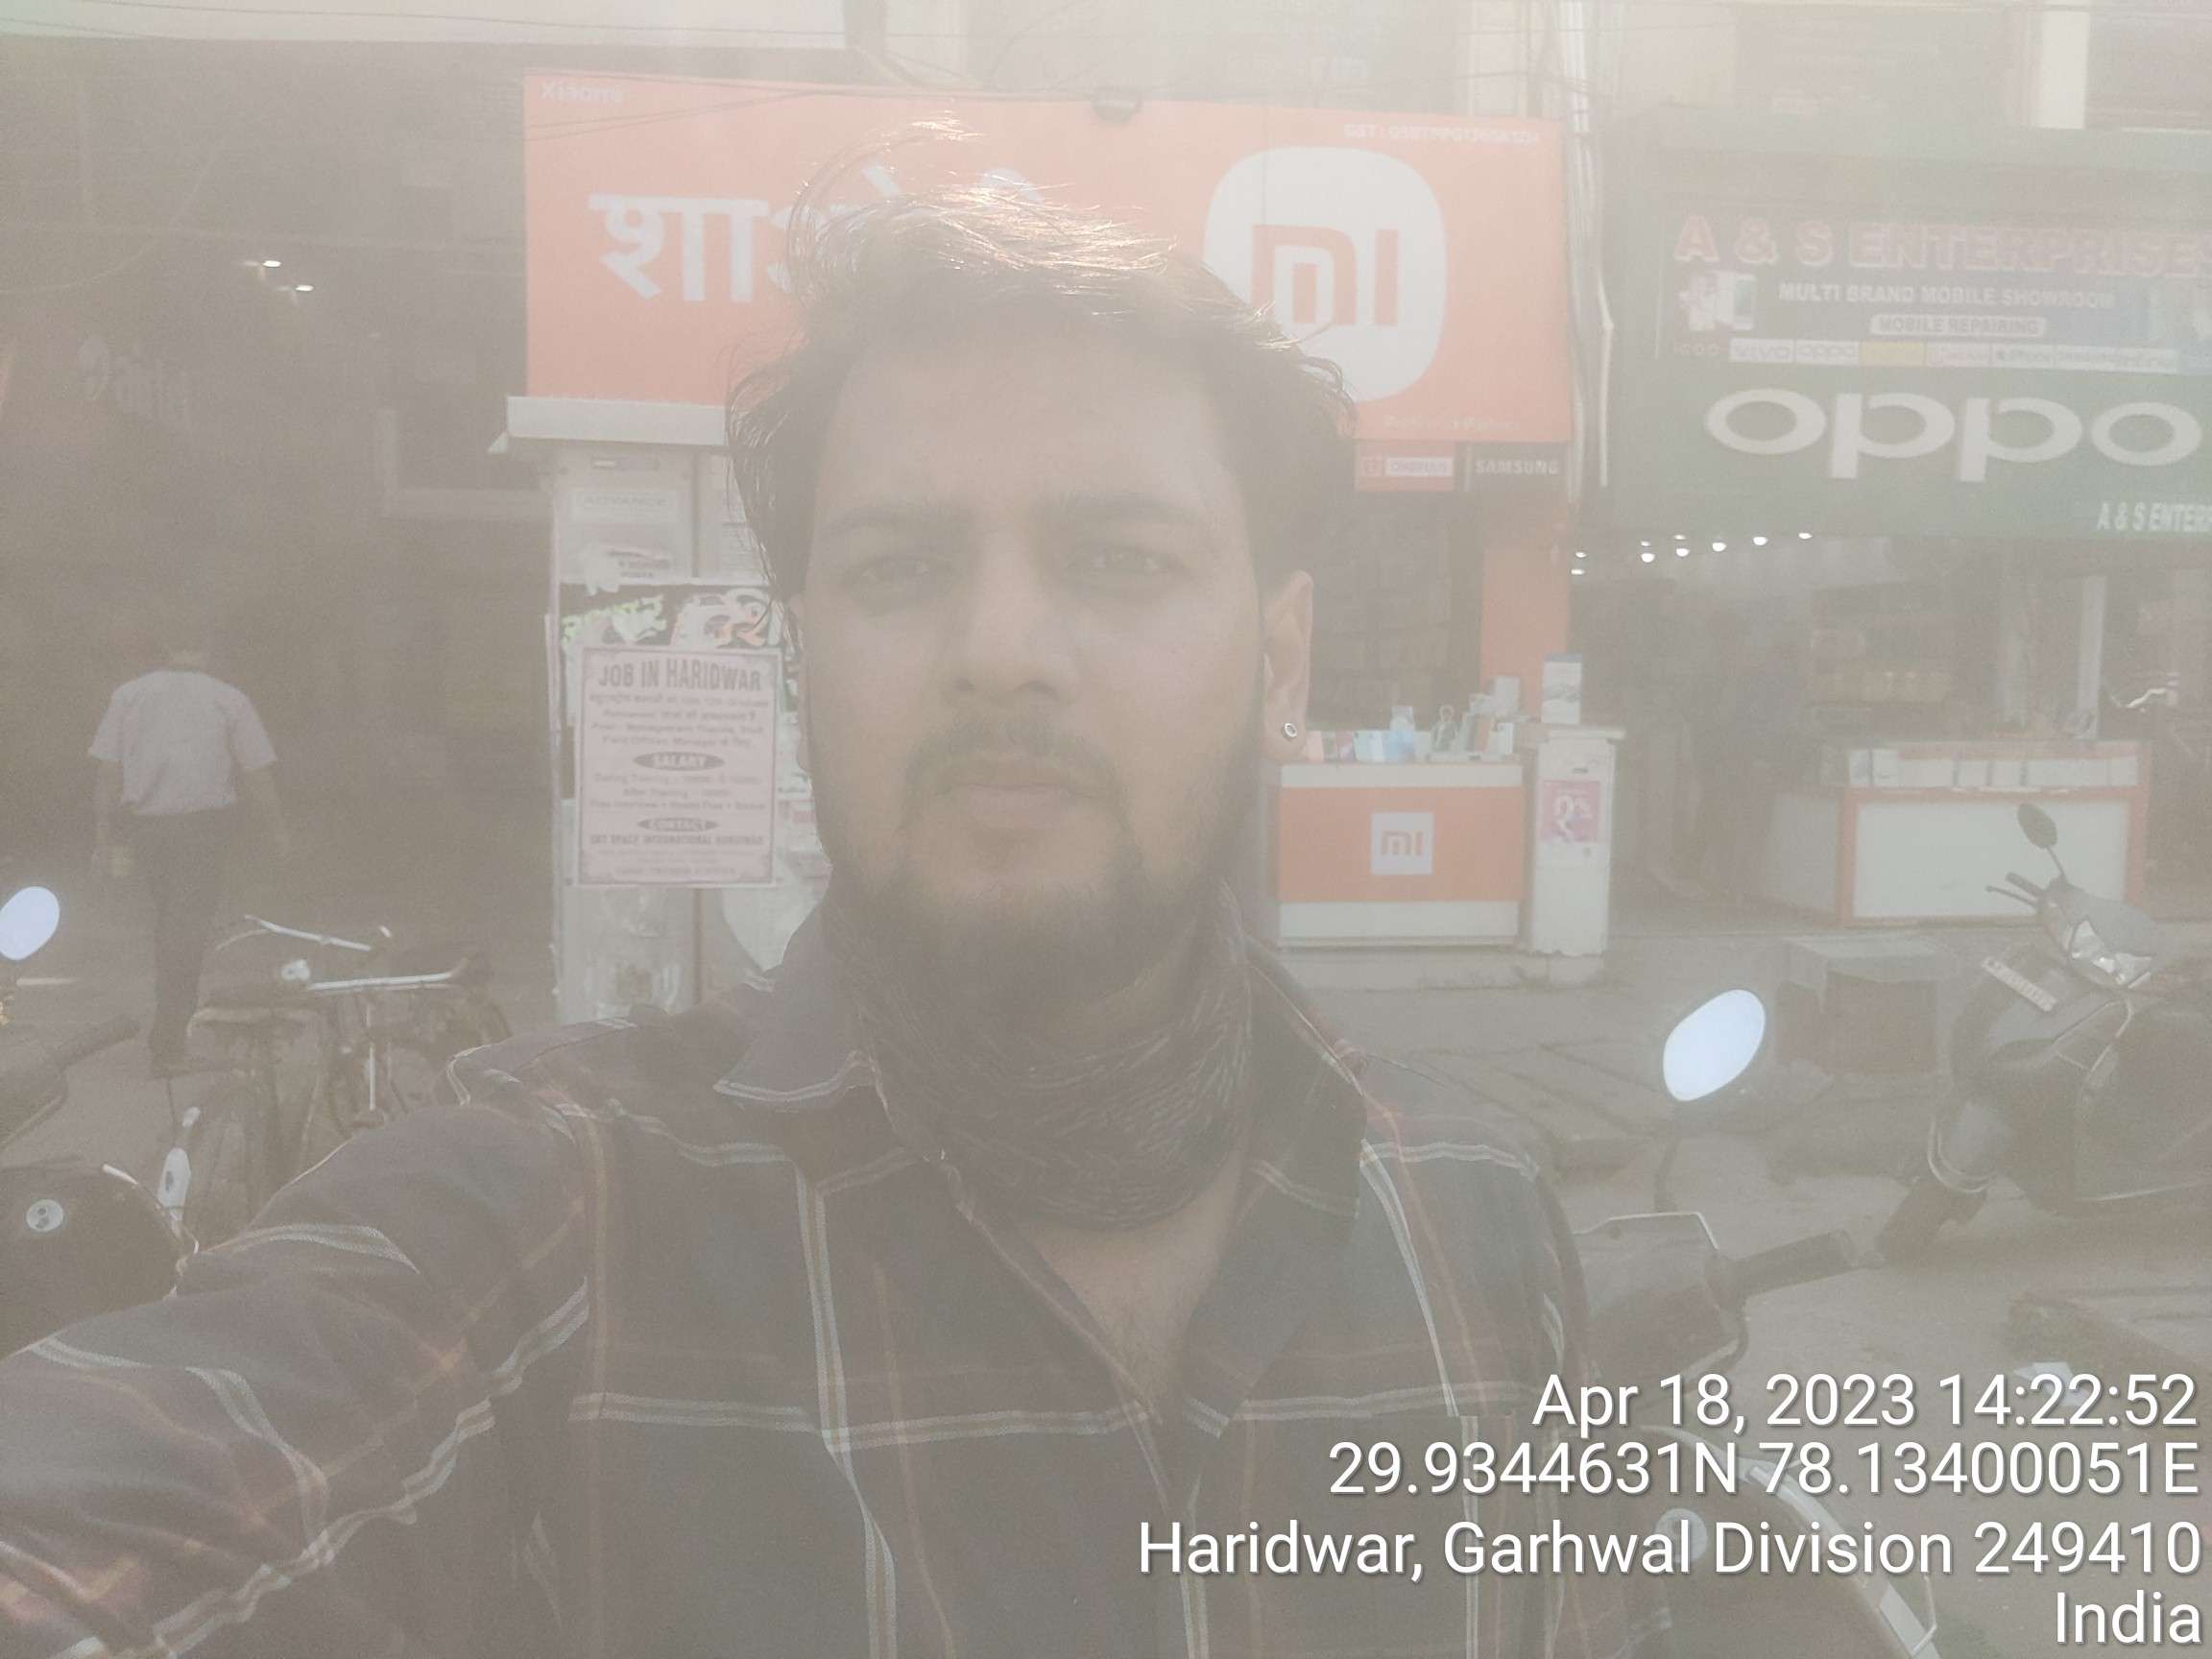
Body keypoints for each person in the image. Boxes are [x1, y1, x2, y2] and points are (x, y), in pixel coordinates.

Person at [0, 184, 1666, 1657]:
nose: (999, 650)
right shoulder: (551, 1225)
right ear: (802, 654)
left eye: (1118, 559)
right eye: (898, 567)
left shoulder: (1480, 1233)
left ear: (1280, 661)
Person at [88, 615, 290, 1075]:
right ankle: (170, 1046)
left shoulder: (129, 696)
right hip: (201, 832)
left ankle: (171, 1031)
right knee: (186, 932)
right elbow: (257, 773)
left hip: (148, 831)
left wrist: (103, 833)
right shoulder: (228, 699)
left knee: (170, 927)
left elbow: (108, 771)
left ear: (162, 649)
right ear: (207, 649)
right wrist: (276, 830)